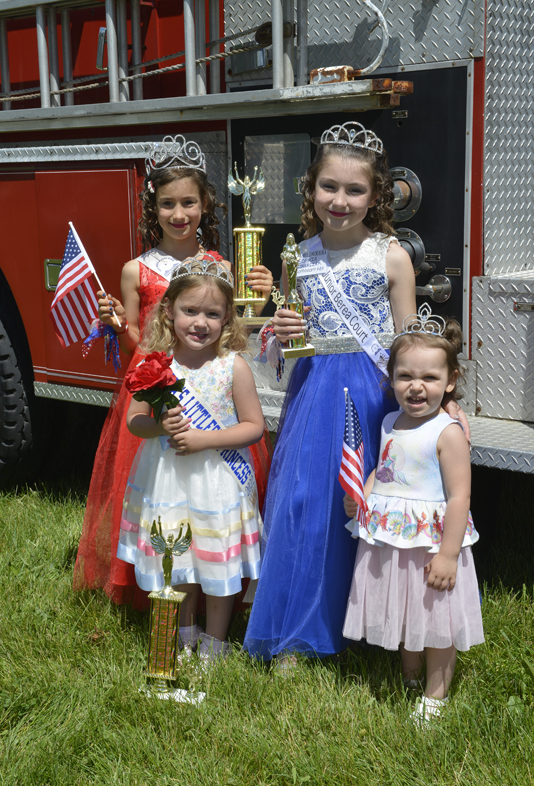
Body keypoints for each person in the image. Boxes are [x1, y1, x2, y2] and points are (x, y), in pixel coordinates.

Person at [243, 121, 417, 664]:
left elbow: (409, 342)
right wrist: (282, 331)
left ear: (376, 196)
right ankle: (299, 630)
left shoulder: (391, 256)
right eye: (329, 187)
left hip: (373, 393)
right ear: (311, 189)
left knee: (372, 500)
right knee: (307, 503)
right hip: (314, 391)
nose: (340, 201)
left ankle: (374, 623)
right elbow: (284, 350)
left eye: (355, 190)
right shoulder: (297, 256)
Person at [73, 136, 272, 609]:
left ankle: (219, 580)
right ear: (153, 207)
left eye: (188, 203)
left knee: (214, 498)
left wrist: (262, 297)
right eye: (167, 204)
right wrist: (117, 324)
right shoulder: (136, 269)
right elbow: (137, 344)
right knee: (159, 494)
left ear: (205, 205)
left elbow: (234, 329)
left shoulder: (222, 265)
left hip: (213, 398)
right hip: (159, 392)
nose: (179, 214)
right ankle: (158, 586)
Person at [118, 256, 265, 660]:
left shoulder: (232, 367)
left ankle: (215, 644)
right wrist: (160, 426)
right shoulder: (155, 363)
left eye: (213, 314)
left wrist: (204, 439)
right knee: (178, 559)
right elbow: (134, 421)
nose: (200, 323)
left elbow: (254, 426)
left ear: (227, 317)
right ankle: (184, 636)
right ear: (169, 309)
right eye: (190, 311)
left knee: (217, 561)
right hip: (168, 480)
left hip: (218, 482)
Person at [342, 312, 484, 722]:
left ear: (451, 381)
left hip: (431, 542)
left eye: (430, 378)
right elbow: (383, 468)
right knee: (406, 608)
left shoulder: (447, 432)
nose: (416, 386)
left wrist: (448, 555)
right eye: (405, 376)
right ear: (391, 379)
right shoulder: (390, 421)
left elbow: (459, 497)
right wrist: (363, 496)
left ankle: (435, 695)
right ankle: (409, 674)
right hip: (393, 538)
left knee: (437, 617)